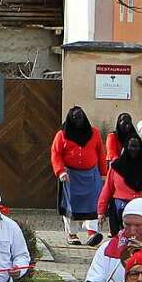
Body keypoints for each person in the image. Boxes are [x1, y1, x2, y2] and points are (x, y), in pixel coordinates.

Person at [51, 105, 107, 246]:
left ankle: (92, 233)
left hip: (91, 176)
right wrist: (60, 171)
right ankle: (72, 234)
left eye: (80, 118)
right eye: (75, 118)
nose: (78, 121)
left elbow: (101, 153)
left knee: (93, 204)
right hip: (70, 176)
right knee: (71, 205)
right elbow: (56, 154)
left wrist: (104, 173)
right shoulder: (62, 135)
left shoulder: (94, 133)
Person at [98, 135, 142, 236]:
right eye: (131, 146)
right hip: (120, 210)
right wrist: (101, 211)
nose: (133, 149)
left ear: (141, 148)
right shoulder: (116, 167)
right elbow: (107, 189)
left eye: (136, 146)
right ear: (125, 148)